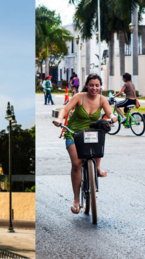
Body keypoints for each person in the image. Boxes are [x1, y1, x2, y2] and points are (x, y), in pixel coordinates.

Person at [53, 73, 117, 214]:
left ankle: (98, 167)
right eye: (91, 85)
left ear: (100, 87)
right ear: (87, 85)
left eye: (97, 85)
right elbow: (65, 109)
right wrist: (59, 119)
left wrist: (113, 117)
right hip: (74, 133)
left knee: (101, 134)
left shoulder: (102, 99)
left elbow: (110, 112)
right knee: (77, 163)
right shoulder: (79, 97)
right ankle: (76, 200)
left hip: (91, 134)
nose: (94, 88)